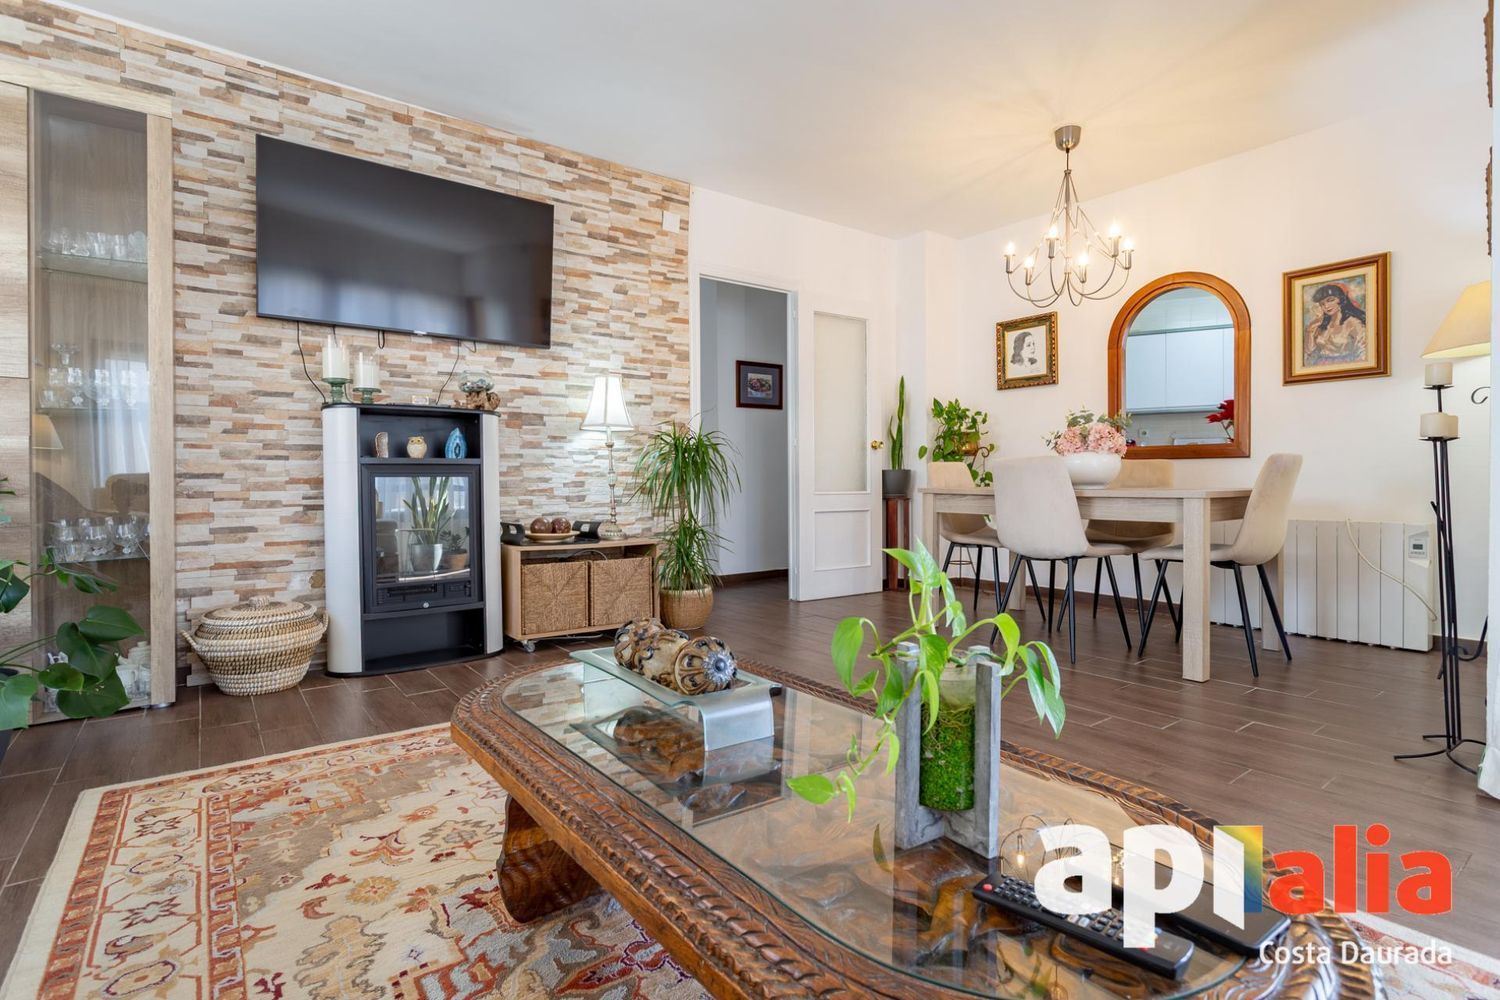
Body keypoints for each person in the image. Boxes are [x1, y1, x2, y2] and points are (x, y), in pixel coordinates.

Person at [1304, 282, 1367, 365]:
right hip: (1320, 366)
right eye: (1322, 304)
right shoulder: (1321, 325)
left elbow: (1363, 351)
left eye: (1330, 300)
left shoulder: (1353, 323)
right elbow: (1310, 351)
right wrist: (1310, 329)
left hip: (1345, 365)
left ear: (1340, 300)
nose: (1326, 306)